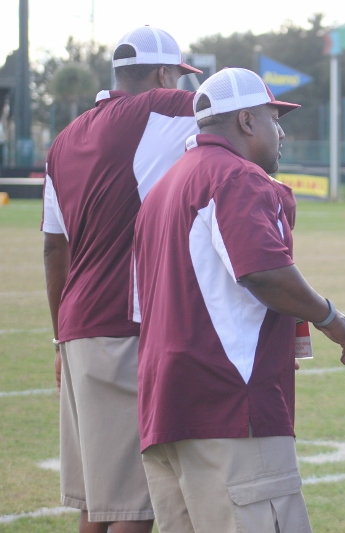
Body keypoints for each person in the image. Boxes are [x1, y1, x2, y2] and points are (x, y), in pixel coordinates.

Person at [132, 68, 345, 533]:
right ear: (247, 121)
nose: (282, 133)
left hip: (164, 407)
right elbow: (264, 273)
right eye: (274, 118)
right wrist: (328, 316)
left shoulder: (162, 189)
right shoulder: (236, 176)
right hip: (228, 404)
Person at [41, 26, 202, 532]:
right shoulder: (161, 108)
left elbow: (54, 247)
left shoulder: (64, 139)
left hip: (78, 327)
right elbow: (229, 112)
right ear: (164, 75)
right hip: (127, 326)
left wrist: (59, 340)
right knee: (136, 504)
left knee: (97, 501)